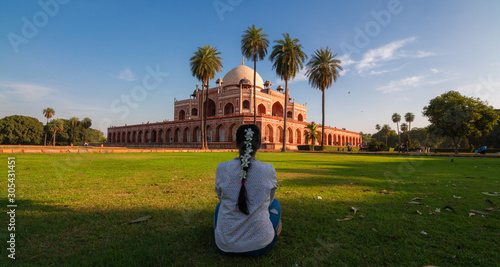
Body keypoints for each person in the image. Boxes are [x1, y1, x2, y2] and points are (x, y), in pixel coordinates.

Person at [214, 124, 281, 256]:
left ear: (236, 144)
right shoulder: (268, 169)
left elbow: (221, 197)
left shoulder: (222, 168)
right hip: (260, 244)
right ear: (259, 145)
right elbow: (270, 200)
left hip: (225, 245)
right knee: (276, 204)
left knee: (219, 206)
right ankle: (269, 229)